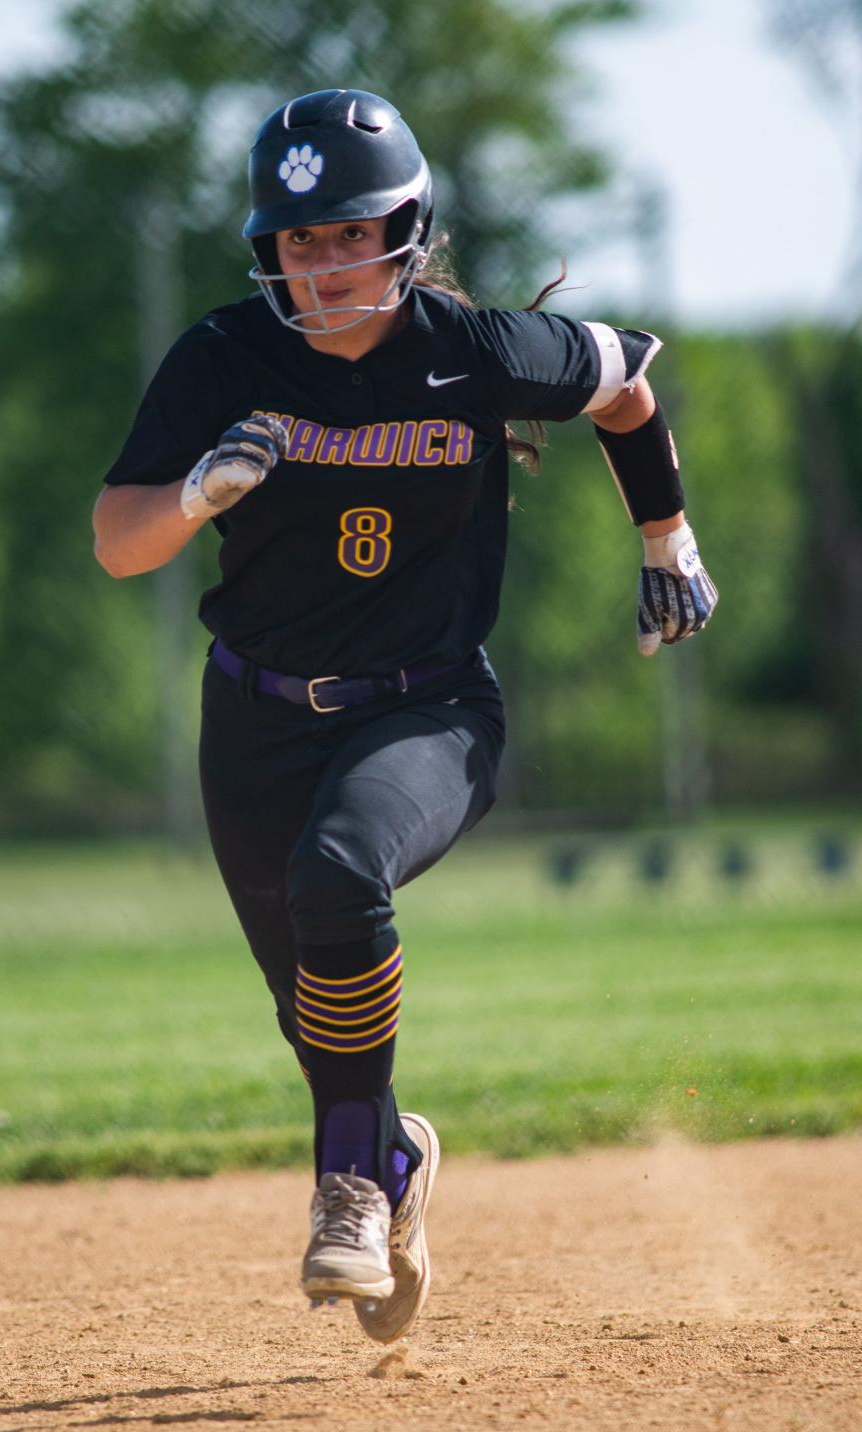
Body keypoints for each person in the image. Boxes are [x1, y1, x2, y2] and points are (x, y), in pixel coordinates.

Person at [92, 88, 718, 1346]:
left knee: (340, 876)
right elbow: (119, 543)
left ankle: (344, 1194)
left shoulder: (471, 349)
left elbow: (628, 380)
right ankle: (392, 1165)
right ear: (269, 251)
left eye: (353, 232)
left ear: (409, 230)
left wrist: (670, 537)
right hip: (254, 725)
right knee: (314, 1010)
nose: (327, 264)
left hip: (430, 711)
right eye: (300, 239)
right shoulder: (223, 356)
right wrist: (204, 491)